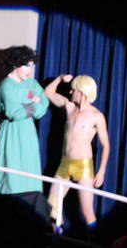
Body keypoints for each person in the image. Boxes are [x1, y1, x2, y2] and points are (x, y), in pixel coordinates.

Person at [44, 74, 110, 227]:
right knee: (51, 207)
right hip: (65, 164)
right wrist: (60, 78)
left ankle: (94, 241)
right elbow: (48, 93)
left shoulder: (96, 116)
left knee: (87, 213)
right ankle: (58, 238)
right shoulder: (69, 107)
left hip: (83, 166)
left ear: (82, 92)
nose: (70, 92)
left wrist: (101, 171)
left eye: (73, 90)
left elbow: (105, 145)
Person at [0, 46, 49, 194]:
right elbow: (14, 112)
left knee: (29, 170)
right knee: (11, 173)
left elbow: (43, 106)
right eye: (26, 65)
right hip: (12, 132)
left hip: (28, 132)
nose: (29, 70)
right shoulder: (6, 85)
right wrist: (33, 104)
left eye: (31, 66)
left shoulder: (32, 84)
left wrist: (29, 106)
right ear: (15, 64)